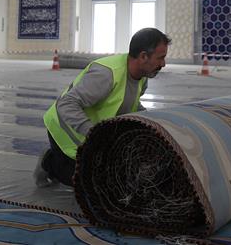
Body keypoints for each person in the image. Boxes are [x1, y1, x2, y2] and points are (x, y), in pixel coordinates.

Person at [34, 27, 171, 187]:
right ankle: (49, 162)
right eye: (160, 58)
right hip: (66, 129)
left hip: (94, 135)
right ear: (143, 57)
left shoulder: (142, 77)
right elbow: (66, 104)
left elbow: (131, 103)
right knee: (88, 185)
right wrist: (94, 134)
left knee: (113, 177)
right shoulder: (107, 74)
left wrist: (151, 121)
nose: (163, 64)